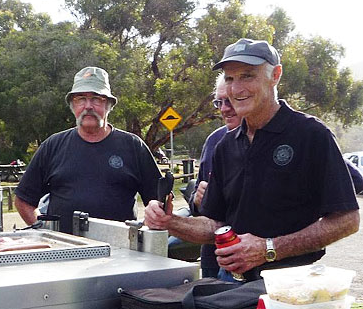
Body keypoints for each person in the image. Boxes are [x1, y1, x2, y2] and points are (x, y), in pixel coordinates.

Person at [144, 38, 359, 282]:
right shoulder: (225, 145)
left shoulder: (311, 135)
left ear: (275, 75)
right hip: (231, 284)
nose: (237, 89)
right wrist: (169, 222)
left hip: (291, 286)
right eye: (230, 78)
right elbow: (216, 225)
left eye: (247, 76)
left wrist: (269, 249)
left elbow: (347, 220)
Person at [14, 66, 161, 233]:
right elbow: (23, 200)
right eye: (81, 99)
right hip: (65, 252)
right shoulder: (52, 146)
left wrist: (155, 214)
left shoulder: (134, 146)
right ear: (72, 105)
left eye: (97, 99)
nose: (88, 106)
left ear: (109, 105)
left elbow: (158, 201)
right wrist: (45, 233)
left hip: (119, 253)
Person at [188, 73, 242, 277]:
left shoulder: (295, 135)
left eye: (230, 100)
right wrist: (197, 200)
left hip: (264, 266)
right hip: (214, 257)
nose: (224, 109)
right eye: (219, 102)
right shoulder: (214, 141)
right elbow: (197, 202)